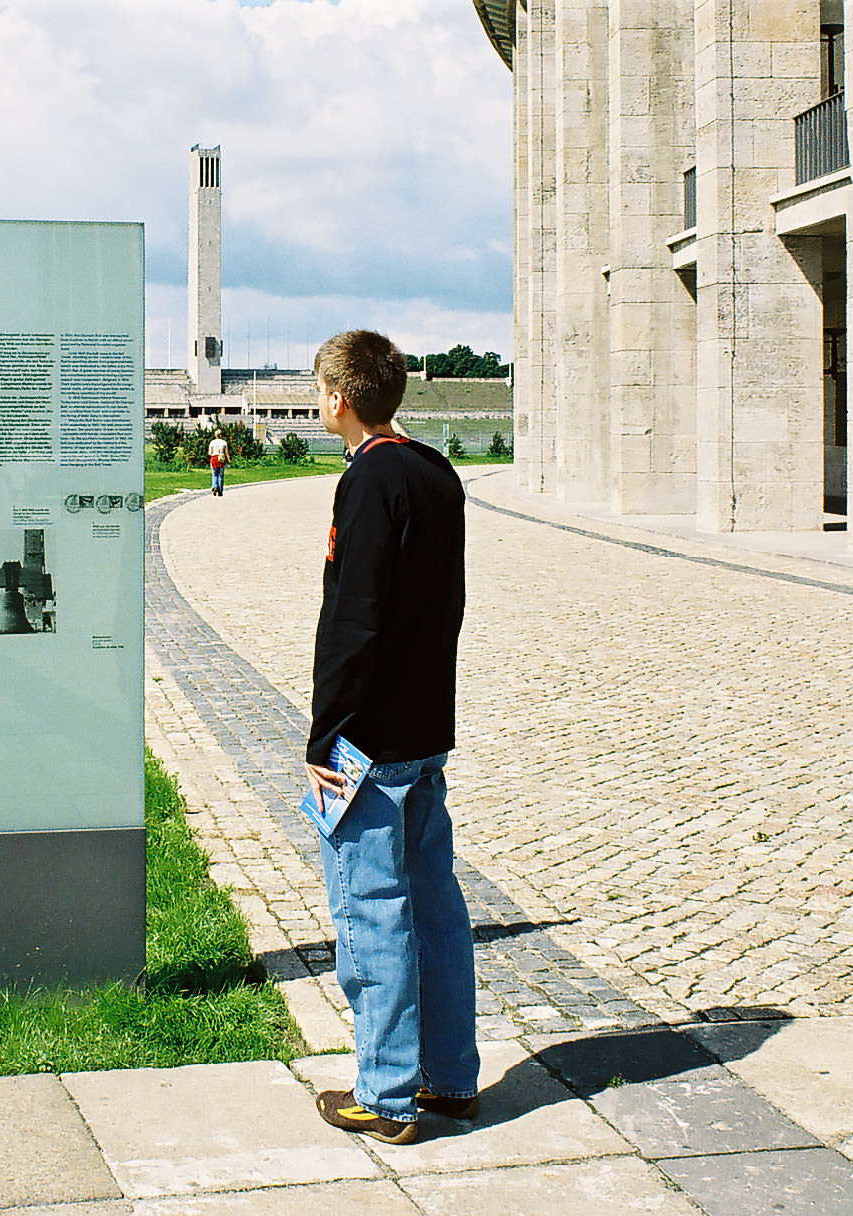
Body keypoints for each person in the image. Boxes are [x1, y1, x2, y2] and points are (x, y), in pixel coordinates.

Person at [305, 329, 478, 1146]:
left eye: (319, 390)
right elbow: (444, 605)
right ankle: (451, 1077)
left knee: (373, 910)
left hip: (370, 740)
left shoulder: (370, 477)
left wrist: (326, 733)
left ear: (339, 397)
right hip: (424, 723)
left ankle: (385, 1093)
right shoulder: (435, 471)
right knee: (436, 909)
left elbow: (354, 617)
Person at [208, 430, 229, 496]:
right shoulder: (224, 442)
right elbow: (226, 453)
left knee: (214, 474)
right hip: (221, 458)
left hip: (214, 458)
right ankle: (220, 490)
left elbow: (210, 452)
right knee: (220, 475)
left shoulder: (212, 442)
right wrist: (229, 461)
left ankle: (214, 487)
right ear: (221, 435)